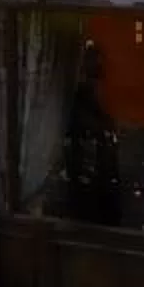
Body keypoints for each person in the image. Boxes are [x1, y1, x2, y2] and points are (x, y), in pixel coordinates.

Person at [61, 40, 121, 223]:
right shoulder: (79, 92)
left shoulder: (88, 90)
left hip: (92, 162)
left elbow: (98, 115)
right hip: (84, 161)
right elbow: (84, 118)